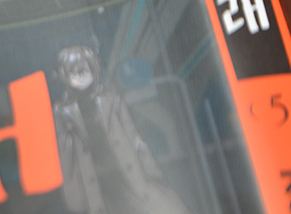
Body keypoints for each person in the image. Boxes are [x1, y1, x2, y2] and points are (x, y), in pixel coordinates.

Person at [53, 46, 193, 214]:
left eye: (85, 70)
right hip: (97, 183)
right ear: (65, 76)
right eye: (74, 72)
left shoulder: (111, 100)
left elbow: (134, 138)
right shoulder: (63, 112)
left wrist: (151, 169)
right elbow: (67, 156)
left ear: (94, 70)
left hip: (126, 170)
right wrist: (75, 197)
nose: (81, 76)